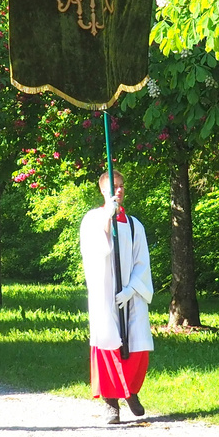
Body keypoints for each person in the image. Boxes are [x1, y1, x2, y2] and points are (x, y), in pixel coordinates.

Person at [79, 170, 154, 424]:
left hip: (130, 294)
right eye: (114, 186)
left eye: (121, 186)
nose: (118, 190)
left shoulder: (134, 225)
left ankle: (131, 390)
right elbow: (96, 252)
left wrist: (132, 289)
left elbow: (142, 261)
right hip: (105, 293)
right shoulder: (92, 220)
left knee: (137, 344)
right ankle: (111, 403)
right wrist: (106, 221)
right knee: (108, 343)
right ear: (103, 190)